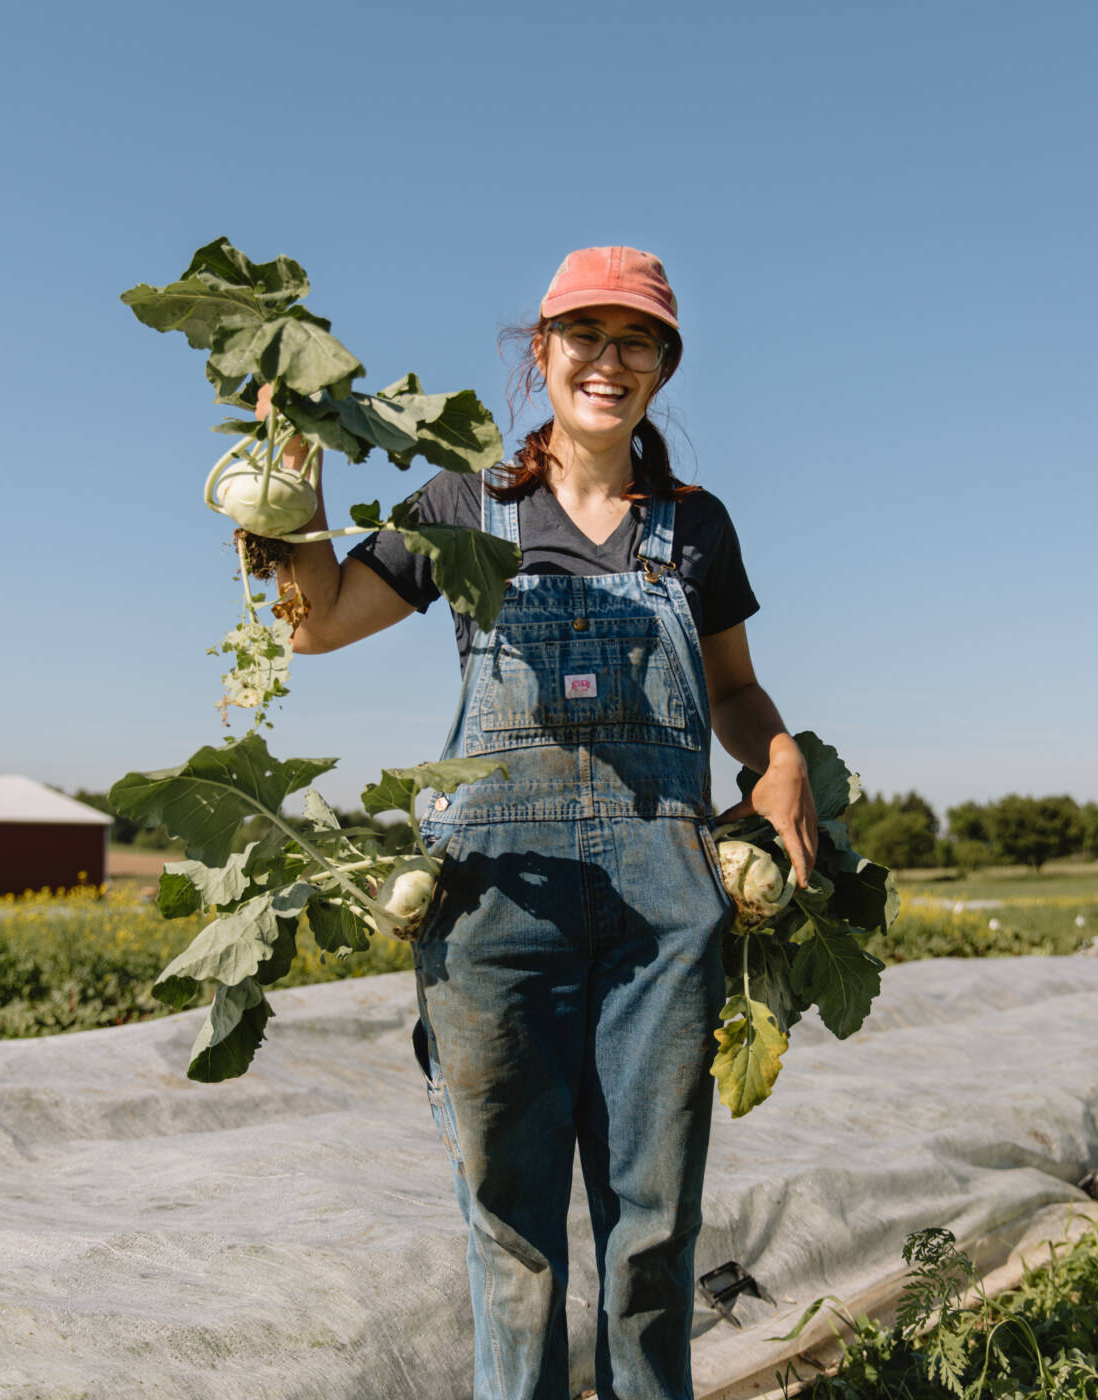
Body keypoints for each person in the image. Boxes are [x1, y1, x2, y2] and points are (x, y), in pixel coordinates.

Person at [275, 246, 817, 1400]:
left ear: (665, 366)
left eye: (637, 340)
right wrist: (290, 461)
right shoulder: (465, 508)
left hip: (663, 918)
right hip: (493, 914)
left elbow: (732, 688)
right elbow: (311, 622)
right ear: (544, 350)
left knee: (652, 1236)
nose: (607, 361)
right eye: (585, 335)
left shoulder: (694, 527)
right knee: (513, 1239)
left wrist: (777, 756)